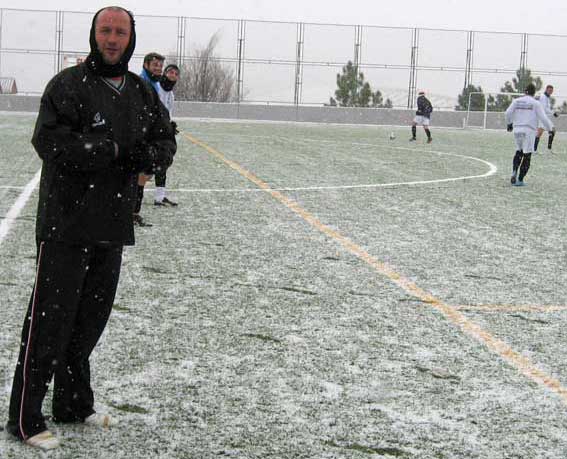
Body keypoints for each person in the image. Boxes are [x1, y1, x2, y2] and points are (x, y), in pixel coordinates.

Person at [5, 6, 176, 450]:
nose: (112, 38)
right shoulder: (68, 86)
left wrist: (152, 158)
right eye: (105, 30)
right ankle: (24, 418)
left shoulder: (141, 91)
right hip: (66, 224)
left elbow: (164, 138)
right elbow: (48, 141)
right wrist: (107, 149)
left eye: (120, 31)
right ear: (93, 35)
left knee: (89, 323)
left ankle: (73, 403)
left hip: (112, 224)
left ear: (131, 36)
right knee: (49, 324)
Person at [133, 52, 166, 226]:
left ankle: (133, 212)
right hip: (142, 135)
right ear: (146, 65)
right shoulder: (143, 83)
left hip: (148, 134)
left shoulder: (153, 84)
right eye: (155, 65)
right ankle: (132, 213)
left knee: (143, 176)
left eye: (160, 66)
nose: (158, 68)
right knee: (140, 175)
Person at [506, 83, 553, 186]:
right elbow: (543, 118)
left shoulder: (516, 101)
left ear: (525, 91)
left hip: (517, 129)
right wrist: (550, 129)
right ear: (533, 93)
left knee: (519, 151)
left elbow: (508, 112)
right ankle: (520, 180)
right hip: (529, 130)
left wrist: (509, 124)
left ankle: (514, 171)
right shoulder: (535, 103)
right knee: (527, 155)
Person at [154, 63, 181, 207]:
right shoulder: (156, 87)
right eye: (171, 72)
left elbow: (168, 113)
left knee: (164, 161)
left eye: (176, 74)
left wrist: (170, 125)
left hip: (163, 130)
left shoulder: (171, 94)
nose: (173, 76)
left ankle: (160, 196)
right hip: (152, 130)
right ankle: (132, 197)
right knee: (146, 166)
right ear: (165, 73)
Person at [535, 84, 559, 153]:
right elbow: (544, 109)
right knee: (539, 133)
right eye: (549, 90)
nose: (550, 91)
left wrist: (553, 112)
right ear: (546, 89)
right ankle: (534, 149)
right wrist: (553, 113)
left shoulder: (547, 97)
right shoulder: (543, 97)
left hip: (546, 118)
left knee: (553, 131)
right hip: (542, 118)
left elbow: (547, 108)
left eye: (551, 90)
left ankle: (549, 149)